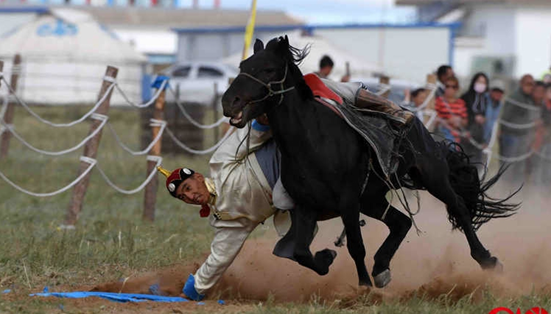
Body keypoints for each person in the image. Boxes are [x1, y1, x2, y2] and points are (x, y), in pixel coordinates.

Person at [156, 77, 415, 301]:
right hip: (291, 194)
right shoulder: (225, 221)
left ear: (198, 177)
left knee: (312, 84)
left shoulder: (219, 164)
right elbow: (219, 259)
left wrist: (265, 117)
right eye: (183, 197)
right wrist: (193, 292)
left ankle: (369, 99)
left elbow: (251, 137)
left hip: (292, 154)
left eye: (188, 187)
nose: (190, 196)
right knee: (292, 247)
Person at [499, 74, 540, 185]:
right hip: (511, 136)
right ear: (521, 84)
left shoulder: (529, 99)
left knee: (519, 167)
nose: (530, 87)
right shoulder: (515, 98)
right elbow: (505, 118)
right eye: (528, 84)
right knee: (508, 166)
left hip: (523, 137)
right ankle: (503, 190)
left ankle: (516, 191)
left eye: (532, 84)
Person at [461, 72, 490, 162]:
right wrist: (473, 118)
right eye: (479, 82)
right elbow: (462, 113)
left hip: (479, 134)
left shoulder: (485, 99)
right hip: (467, 133)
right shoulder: (465, 97)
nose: (481, 84)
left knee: (477, 160)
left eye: (483, 82)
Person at [435, 76, 468, 143]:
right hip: (442, 136)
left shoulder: (461, 103)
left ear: (457, 88)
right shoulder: (438, 101)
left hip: (457, 138)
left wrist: (459, 121)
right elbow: (434, 119)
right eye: (447, 86)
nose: (450, 89)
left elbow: (465, 121)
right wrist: (448, 121)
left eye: (453, 87)